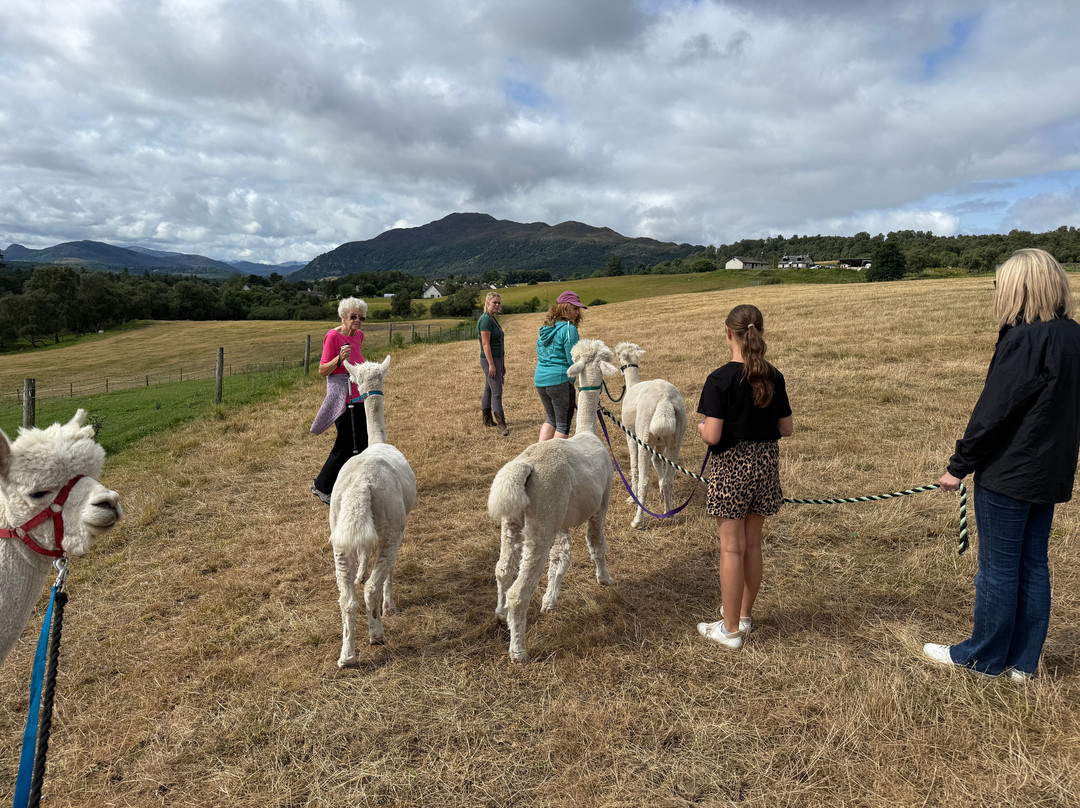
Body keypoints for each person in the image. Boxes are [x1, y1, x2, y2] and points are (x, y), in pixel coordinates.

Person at [926, 248, 1080, 681]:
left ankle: (984, 658)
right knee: (1033, 564)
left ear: (1019, 289)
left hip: (1011, 473)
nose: (997, 293)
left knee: (998, 568)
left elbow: (994, 412)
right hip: (1050, 471)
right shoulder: (1073, 336)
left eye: (1000, 285)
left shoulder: (1024, 339)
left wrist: (958, 466)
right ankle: (1023, 663)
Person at [695, 304, 793, 650]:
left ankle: (730, 629)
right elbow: (786, 428)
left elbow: (713, 436)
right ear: (760, 333)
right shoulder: (774, 376)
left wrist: (702, 428)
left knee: (731, 548)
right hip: (766, 464)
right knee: (752, 544)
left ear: (728, 334)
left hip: (732, 467)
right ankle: (745, 615)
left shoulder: (719, 379)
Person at [310, 297, 369, 505]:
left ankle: (353, 483)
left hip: (359, 395)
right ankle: (321, 486)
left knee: (363, 442)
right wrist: (339, 359)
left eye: (361, 317)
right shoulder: (333, 336)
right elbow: (322, 370)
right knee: (345, 444)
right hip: (342, 398)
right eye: (353, 316)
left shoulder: (359, 336)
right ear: (343, 317)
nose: (357, 320)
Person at [534, 290, 586, 441]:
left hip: (541, 380)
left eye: (579, 309)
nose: (578, 312)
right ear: (565, 307)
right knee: (563, 425)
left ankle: (541, 452)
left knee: (551, 419)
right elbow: (572, 360)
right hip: (560, 381)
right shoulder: (569, 329)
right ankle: (556, 455)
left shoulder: (547, 327)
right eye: (574, 308)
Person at [478, 291, 509, 436]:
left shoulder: (492, 318)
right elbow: (485, 344)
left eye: (499, 303)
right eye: (494, 302)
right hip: (490, 359)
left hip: (496, 359)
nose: (497, 305)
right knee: (497, 392)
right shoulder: (485, 320)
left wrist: (501, 364)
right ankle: (502, 425)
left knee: (489, 389)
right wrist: (491, 364)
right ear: (487, 303)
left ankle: (487, 420)